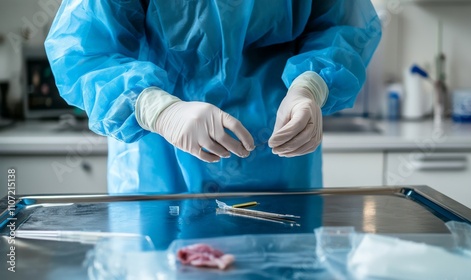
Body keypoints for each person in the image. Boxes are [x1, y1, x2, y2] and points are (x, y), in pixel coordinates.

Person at [45, 0, 381, 194]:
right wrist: (158, 109)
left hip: (277, 166)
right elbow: (84, 50)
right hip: (158, 165)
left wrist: (310, 84)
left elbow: (342, 25)